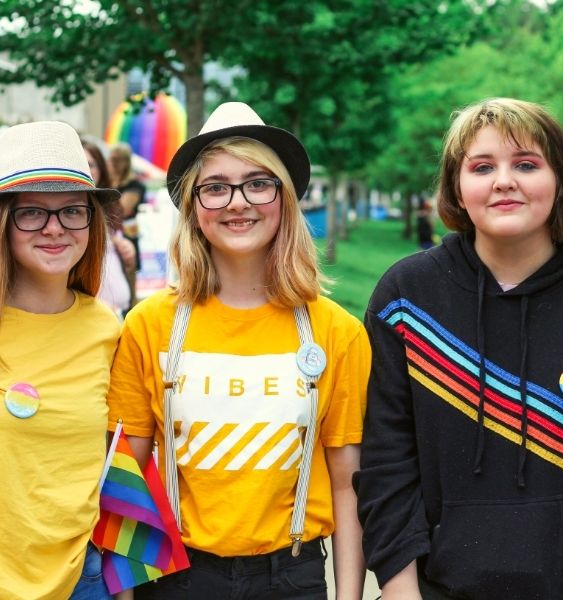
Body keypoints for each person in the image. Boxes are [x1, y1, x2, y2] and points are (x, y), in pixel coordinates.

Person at [107, 101, 371, 599]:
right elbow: (127, 478)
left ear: (284, 198)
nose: (237, 202)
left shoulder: (336, 332)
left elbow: (346, 485)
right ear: (192, 207)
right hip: (178, 576)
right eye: (215, 187)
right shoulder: (149, 325)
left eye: (257, 183)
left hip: (293, 578)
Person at [353, 98, 563, 600]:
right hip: (432, 587)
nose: (504, 180)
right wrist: (401, 592)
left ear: (562, 181)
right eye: (482, 167)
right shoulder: (408, 298)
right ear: (457, 190)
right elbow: (385, 462)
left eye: (526, 164)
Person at [0, 121, 121, 599]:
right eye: (32, 213)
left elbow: (122, 467)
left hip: (82, 580)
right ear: (5, 221)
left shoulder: (109, 330)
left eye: (72, 211)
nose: (55, 228)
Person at [82, 138, 136, 316]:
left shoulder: (109, 207)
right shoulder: (66, 216)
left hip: (117, 311)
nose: (85, 170)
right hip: (90, 313)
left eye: (90, 164)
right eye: (80, 163)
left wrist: (126, 251)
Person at [108, 141, 146, 304]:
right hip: (110, 233)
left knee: (129, 275)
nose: (114, 164)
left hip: (128, 233)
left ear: (126, 161)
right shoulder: (107, 183)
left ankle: (131, 308)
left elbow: (121, 209)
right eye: (112, 159)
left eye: (117, 160)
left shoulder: (135, 184)